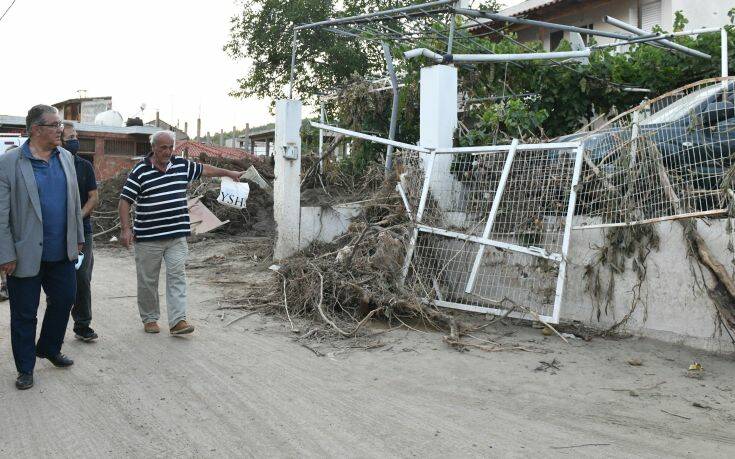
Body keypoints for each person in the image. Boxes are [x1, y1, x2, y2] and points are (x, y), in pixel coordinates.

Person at [118, 130, 244, 335]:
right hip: (148, 238)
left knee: (177, 277)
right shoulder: (140, 171)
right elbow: (125, 201)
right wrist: (125, 229)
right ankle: (150, 318)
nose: (168, 152)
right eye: (163, 148)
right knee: (148, 281)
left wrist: (228, 173)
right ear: (153, 148)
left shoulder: (182, 165)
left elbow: (205, 169)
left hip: (176, 236)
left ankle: (178, 321)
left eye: (170, 147)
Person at [0, 105, 85, 390]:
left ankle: (48, 347)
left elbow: (74, 202)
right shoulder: (9, 163)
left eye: (60, 125)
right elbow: (1, 215)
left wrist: (78, 236)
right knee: (24, 314)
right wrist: (5, 253)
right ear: (36, 129)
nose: (60, 130)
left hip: (61, 250)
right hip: (24, 253)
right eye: (55, 125)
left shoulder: (67, 158)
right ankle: (25, 368)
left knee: (64, 299)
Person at [60, 122, 99, 342]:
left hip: (82, 231)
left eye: (76, 136)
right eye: (70, 137)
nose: (74, 140)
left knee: (82, 277)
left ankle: (82, 324)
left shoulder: (85, 166)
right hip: (55, 231)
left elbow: (94, 197)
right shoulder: (53, 164)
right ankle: (54, 326)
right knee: (58, 280)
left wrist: (78, 217)